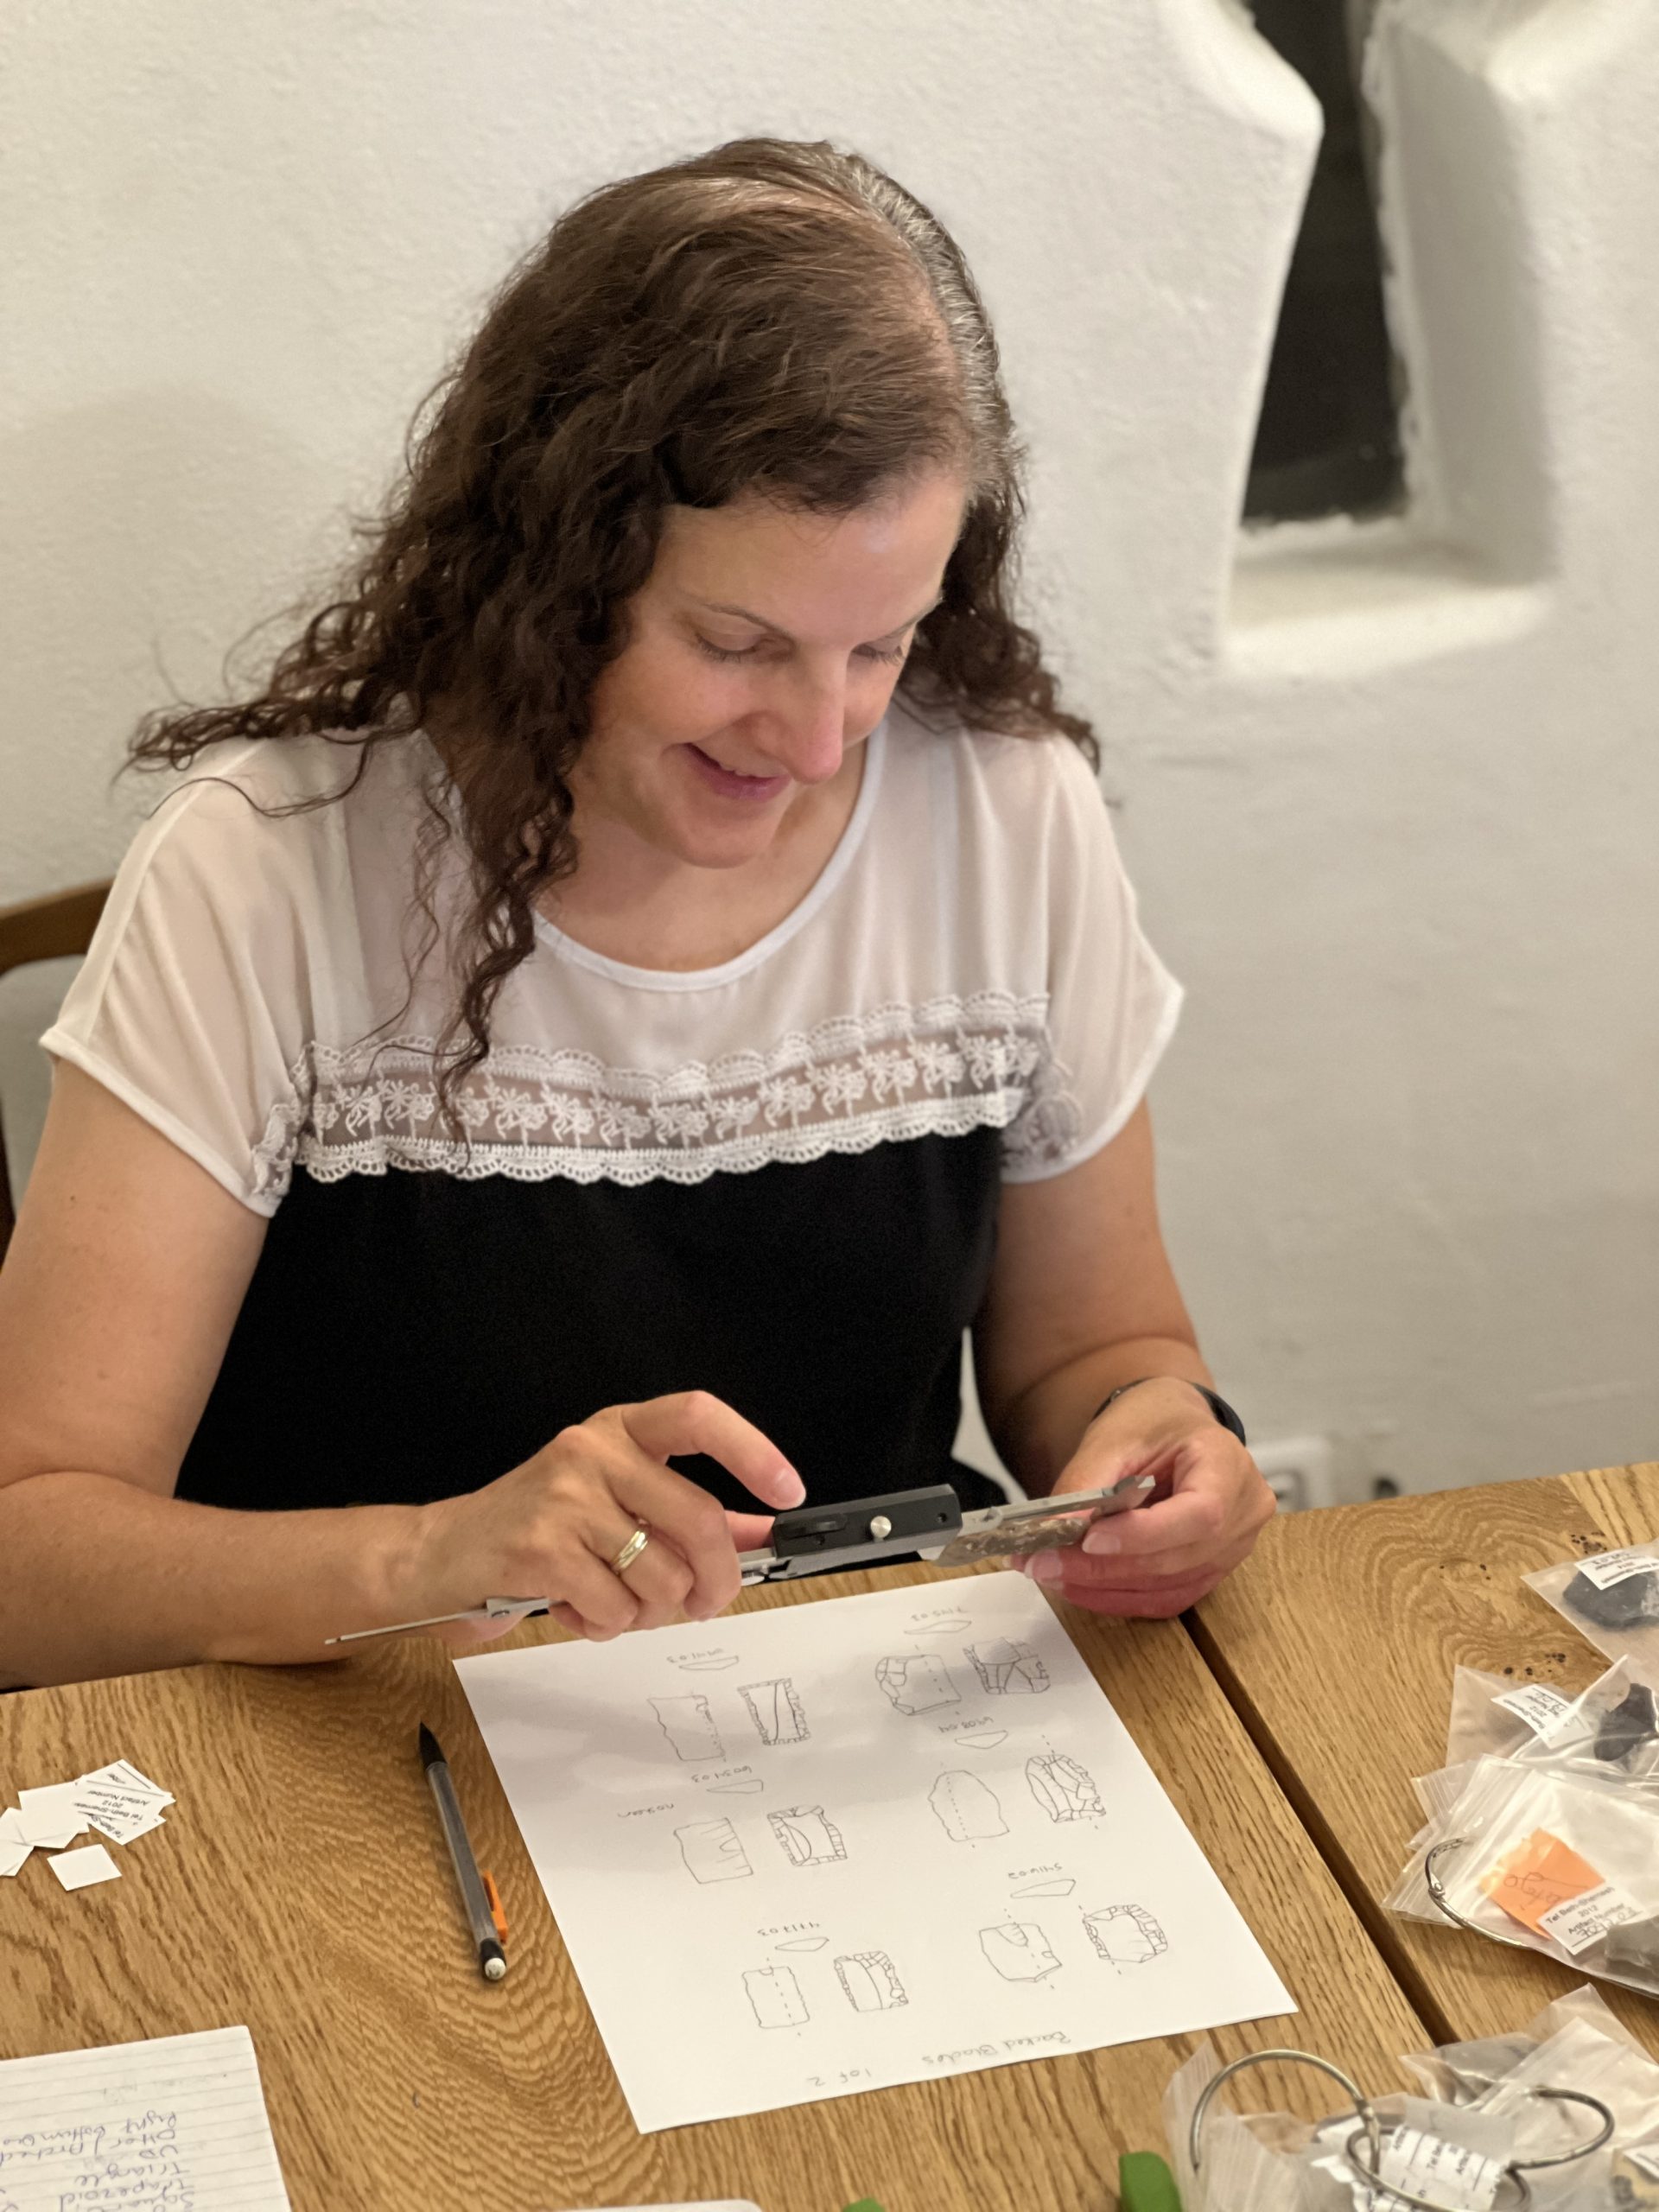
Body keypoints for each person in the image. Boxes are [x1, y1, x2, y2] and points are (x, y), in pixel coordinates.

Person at [0, 137, 1273, 1688]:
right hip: (363, 1742)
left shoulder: (1005, 808)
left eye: (881, 645)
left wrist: (1163, 1444)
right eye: (737, 641)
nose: (816, 742)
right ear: (552, 565)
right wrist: (425, 1558)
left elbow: (1093, 1355)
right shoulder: (267, 870)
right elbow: (30, 1553)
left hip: (863, 1714)